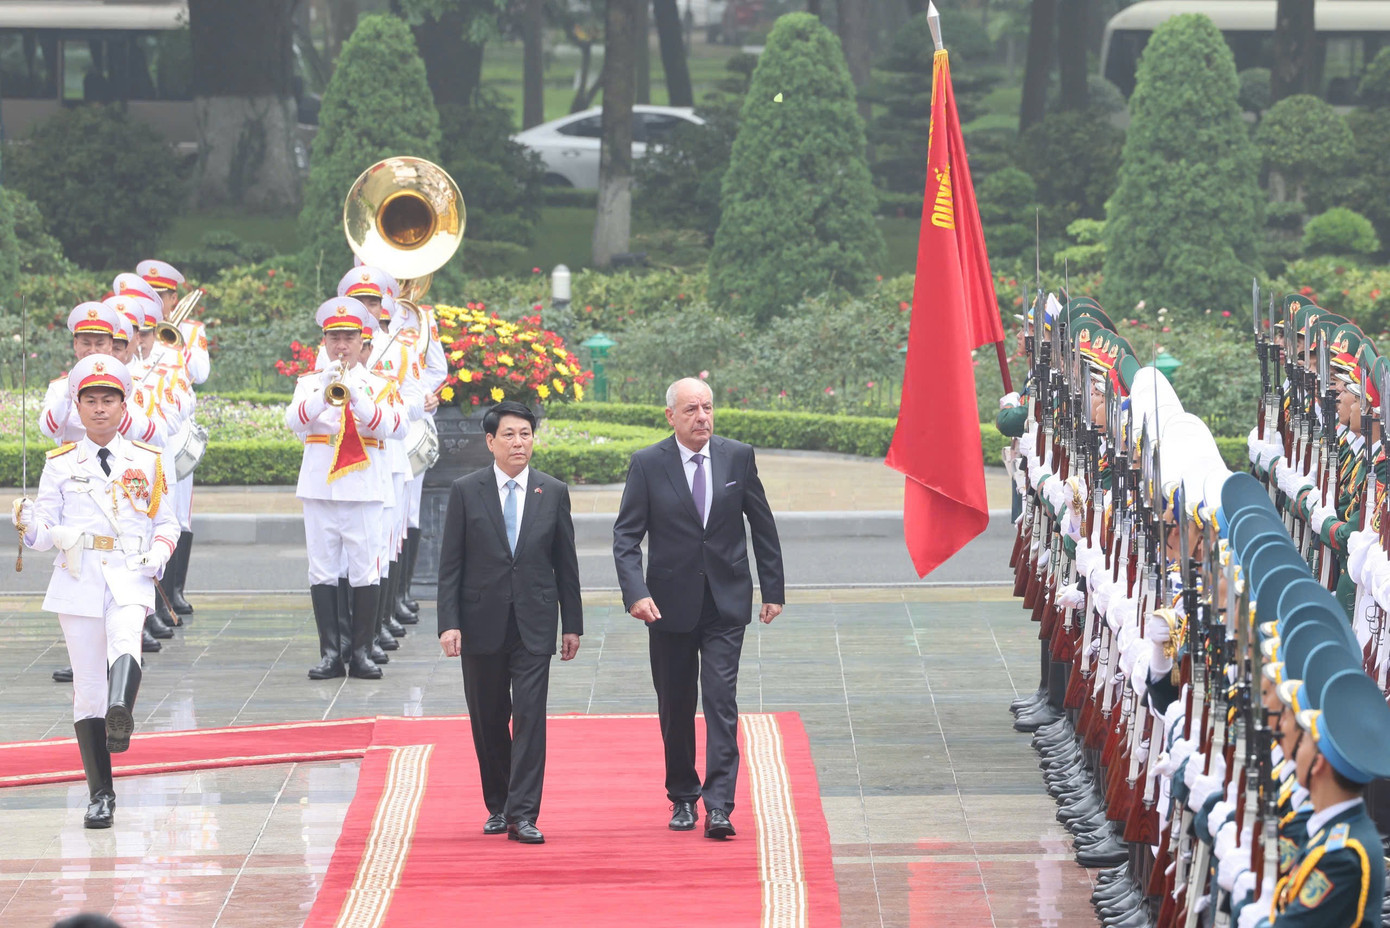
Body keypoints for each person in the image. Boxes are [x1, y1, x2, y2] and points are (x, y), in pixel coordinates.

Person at [612, 377, 785, 838]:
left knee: (720, 699)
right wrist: (635, 593)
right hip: (666, 606)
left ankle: (720, 805)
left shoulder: (738, 457)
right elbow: (626, 536)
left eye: (707, 407)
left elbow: (762, 526)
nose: (702, 417)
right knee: (675, 703)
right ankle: (683, 797)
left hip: (726, 601)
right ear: (671, 416)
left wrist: (773, 590)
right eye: (691, 409)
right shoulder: (648, 464)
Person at [11, 355, 179, 828]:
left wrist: (158, 555)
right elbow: (44, 534)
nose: (100, 409)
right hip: (78, 574)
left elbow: (168, 523)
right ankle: (100, 794)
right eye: (91, 400)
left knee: (127, 640)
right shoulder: (60, 464)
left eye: (109, 400)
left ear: (124, 405)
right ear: (77, 407)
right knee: (87, 689)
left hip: (130, 571)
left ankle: (120, 710)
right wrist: (26, 526)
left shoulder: (146, 460)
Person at [436, 401, 583, 845]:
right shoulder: (466, 490)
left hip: (535, 622)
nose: (519, 443)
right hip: (481, 622)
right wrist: (449, 623)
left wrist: (571, 624)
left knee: (531, 718)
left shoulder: (552, 491)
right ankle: (498, 805)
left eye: (526, 434)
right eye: (509, 435)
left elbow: (566, 565)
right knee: (489, 717)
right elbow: (451, 565)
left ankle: (524, 814)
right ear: (490, 442)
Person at [284, 297, 406, 680]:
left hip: (365, 491)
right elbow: (294, 422)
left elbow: (395, 427)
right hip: (320, 489)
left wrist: (358, 396)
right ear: (324, 340)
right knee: (321, 571)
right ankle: (330, 654)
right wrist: (325, 392)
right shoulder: (309, 383)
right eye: (334, 337)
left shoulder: (379, 385)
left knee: (364, 571)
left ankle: (362, 651)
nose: (341, 346)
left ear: (362, 341)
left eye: (349, 338)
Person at [137, 259, 209, 620]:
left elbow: (201, 373)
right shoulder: (134, 332)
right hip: (144, 428)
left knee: (179, 515)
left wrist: (176, 344)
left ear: (173, 297)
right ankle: (154, 600)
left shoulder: (191, 330)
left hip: (176, 429)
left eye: (160, 295)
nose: (153, 301)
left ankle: (175, 592)